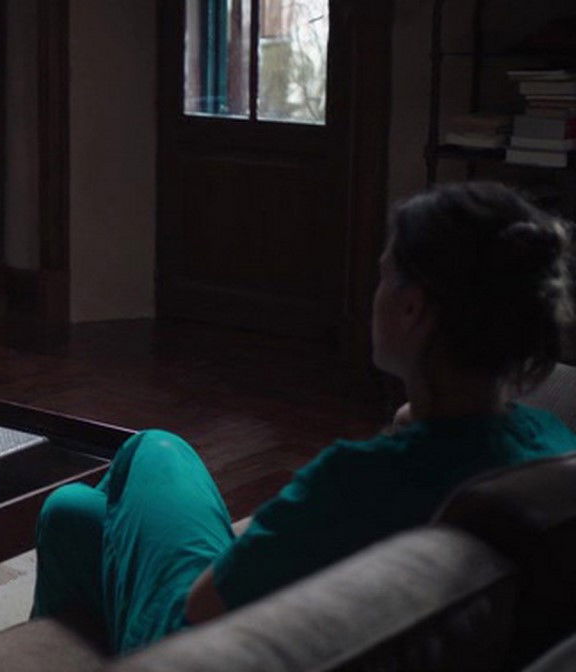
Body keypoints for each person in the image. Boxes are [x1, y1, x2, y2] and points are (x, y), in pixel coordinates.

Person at [32, 181, 576, 654]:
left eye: (383, 277)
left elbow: (201, 607)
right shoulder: (551, 449)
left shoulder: (360, 481)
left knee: (156, 448)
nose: (375, 296)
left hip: (192, 651)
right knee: (70, 511)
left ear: (412, 308)